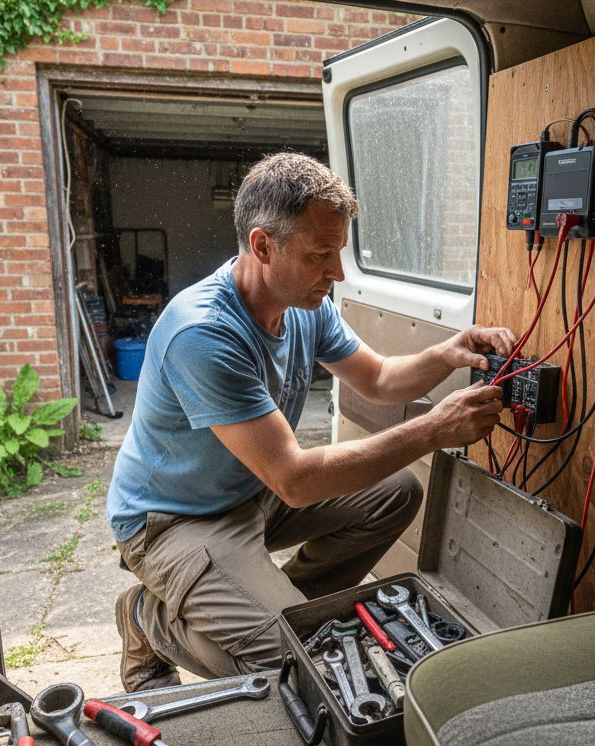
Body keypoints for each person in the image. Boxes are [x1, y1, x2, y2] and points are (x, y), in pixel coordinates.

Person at [106, 152, 513, 691]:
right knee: (299, 670)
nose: (337, 272)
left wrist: (447, 353)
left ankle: (279, 610)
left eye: (339, 252)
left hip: (251, 491)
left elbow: (379, 377)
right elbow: (295, 480)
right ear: (262, 246)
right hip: (174, 520)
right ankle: (147, 617)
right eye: (321, 254)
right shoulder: (202, 333)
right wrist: (433, 430)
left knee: (396, 492)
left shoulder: (304, 306)